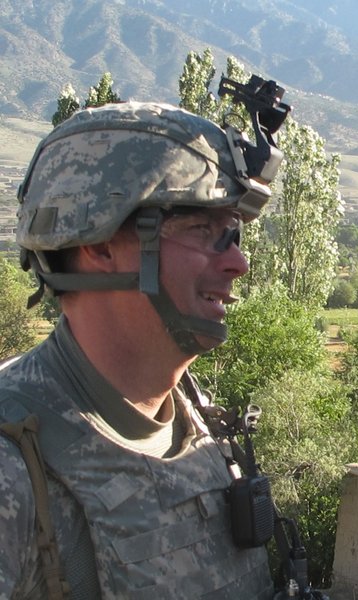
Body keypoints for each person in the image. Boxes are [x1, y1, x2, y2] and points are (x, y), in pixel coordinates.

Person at [0, 98, 287, 598]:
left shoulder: (201, 426)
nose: (237, 263)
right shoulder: (14, 467)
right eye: (203, 230)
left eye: (234, 235)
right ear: (100, 243)